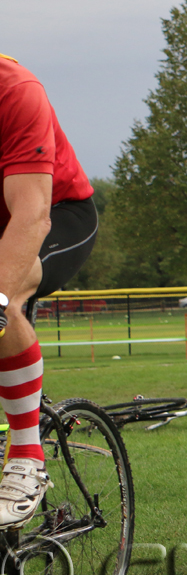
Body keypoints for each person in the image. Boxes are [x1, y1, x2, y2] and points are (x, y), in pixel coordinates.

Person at [0, 54, 97, 527]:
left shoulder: (15, 89)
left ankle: (26, 452)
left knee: (4, 299)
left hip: (57, 215)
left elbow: (31, 216)